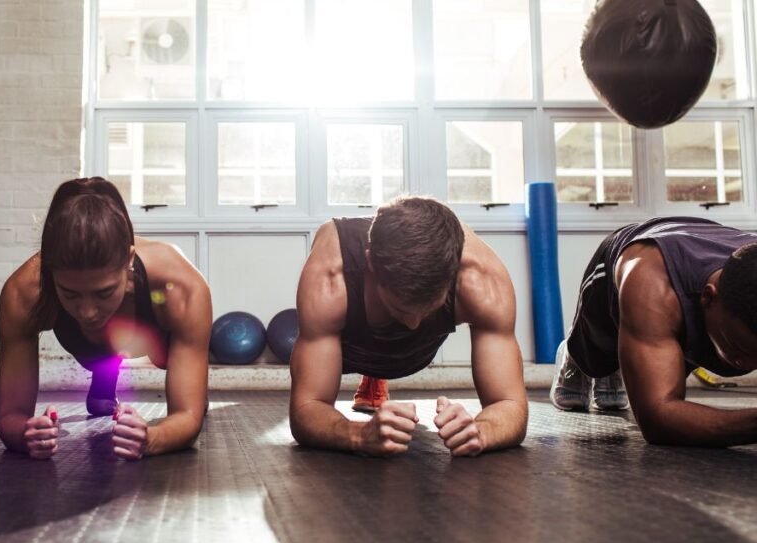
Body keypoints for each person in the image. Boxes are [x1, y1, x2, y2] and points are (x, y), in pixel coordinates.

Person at [289, 195, 527, 458]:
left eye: (429, 310)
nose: (413, 325)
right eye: (401, 309)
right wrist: (357, 434)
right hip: (353, 345)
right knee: (331, 334)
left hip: (418, 354)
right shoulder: (330, 277)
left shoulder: (480, 279)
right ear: (370, 264)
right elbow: (307, 408)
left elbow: (509, 403)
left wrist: (482, 431)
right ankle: (373, 375)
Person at [0, 177, 211, 461]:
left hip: (149, 339)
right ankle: (107, 368)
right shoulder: (22, 293)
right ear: (50, 272)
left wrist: (152, 438)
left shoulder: (181, 286)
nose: (87, 311)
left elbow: (187, 417)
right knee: (97, 349)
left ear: (129, 260)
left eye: (104, 293)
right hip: (86, 348)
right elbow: (10, 416)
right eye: (70, 294)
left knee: (172, 366)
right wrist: (26, 433)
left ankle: (113, 365)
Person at [550, 216, 757, 447]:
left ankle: (638, 359)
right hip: (624, 254)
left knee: (671, 353)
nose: (749, 365)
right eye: (739, 348)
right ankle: (575, 355)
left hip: (698, 284)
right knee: (596, 359)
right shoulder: (651, 281)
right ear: (708, 298)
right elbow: (657, 420)